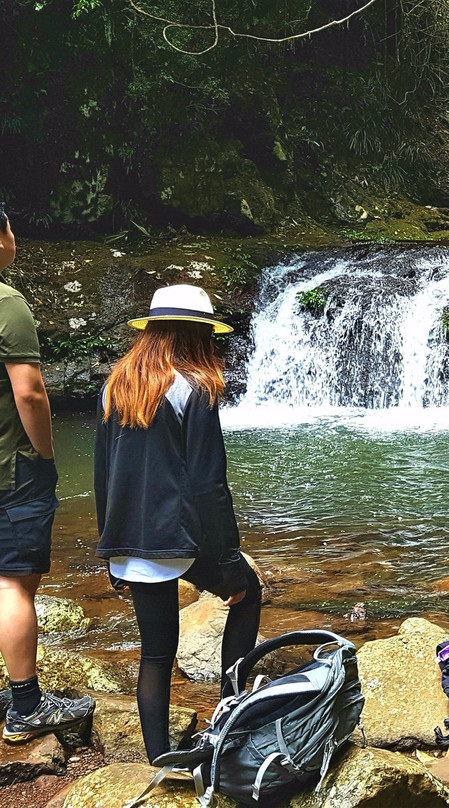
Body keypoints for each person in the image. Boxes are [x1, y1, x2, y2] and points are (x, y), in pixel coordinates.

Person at [93, 284, 261, 763]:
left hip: (128, 541)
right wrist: (229, 561)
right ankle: (230, 715)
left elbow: (103, 477)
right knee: (248, 594)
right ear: (197, 336)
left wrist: (111, 553)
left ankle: (158, 762)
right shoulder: (195, 389)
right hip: (179, 539)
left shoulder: (114, 384)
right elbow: (209, 487)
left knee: (156, 655)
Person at [0, 214, 95, 743]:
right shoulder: (6, 302)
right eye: (12, 230)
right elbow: (30, 391)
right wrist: (45, 454)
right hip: (11, 466)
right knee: (13, 581)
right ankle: (26, 706)